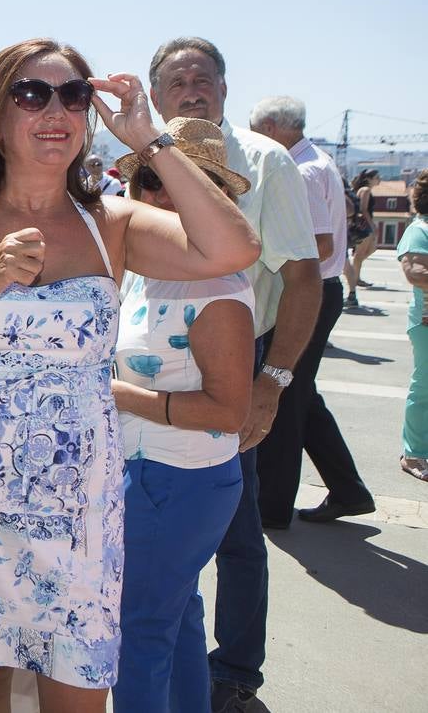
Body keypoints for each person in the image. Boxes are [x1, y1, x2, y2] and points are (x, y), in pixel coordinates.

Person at [0, 38, 258, 710]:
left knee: (78, 690)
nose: (56, 110)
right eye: (32, 94)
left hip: (78, 506)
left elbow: (232, 247)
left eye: (74, 94)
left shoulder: (110, 222)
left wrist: (149, 138)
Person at [147, 36, 320, 713]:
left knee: (236, 531)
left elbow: (303, 277)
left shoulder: (266, 161)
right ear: (156, 95)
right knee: (148, 521)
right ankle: (165, 655)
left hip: (234, 362)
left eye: (205, 79)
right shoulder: (137, 160)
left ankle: (236, 673)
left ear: (223, 89)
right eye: (178, 81)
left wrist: (270, 382)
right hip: (147, 358)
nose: (193, 90)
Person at [111, 117, 256, 713]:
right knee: (175, 621)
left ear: (213, 195)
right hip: (155, 475)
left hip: (176, 478)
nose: (161, 196)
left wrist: (118, 395)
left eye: (184, 179)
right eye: (149, 179)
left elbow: (229, 409)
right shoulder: (153, 273)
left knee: (138, 634)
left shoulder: (215, 286)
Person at [249, 96, 375, 528]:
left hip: (307, 293)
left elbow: (317, 244)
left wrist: (257, 246)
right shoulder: (316, 162)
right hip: (320, 289)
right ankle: (348, 490)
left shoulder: (299, 172)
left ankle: (273, 507)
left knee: (281, 394)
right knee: (301, 394)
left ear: (271, 127)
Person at [397, 171, 428, 482]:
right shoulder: (419, 230)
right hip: (426, 322)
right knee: (425, 389)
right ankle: (414, 453)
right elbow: (416, 272)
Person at [344, 169, 380, 307]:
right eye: (377, 177)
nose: (379, 179)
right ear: (369, 178)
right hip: (365, 225)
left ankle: (355, 276)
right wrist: (372, 225)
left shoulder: (363, 189)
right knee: (360, 255)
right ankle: (356, 278)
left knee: (369, 250)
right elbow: (364, 209)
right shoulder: (365, 190)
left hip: (362, 224)